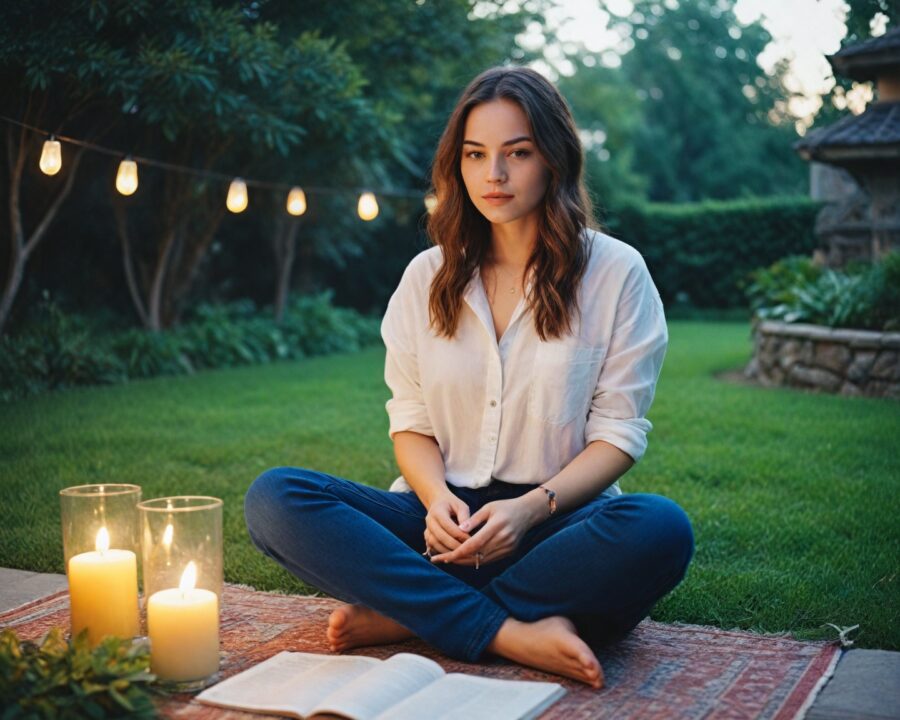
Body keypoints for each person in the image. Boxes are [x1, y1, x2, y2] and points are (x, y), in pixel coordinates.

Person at [244, 66, 694, 689]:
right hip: (439, 518)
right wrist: (434, 501)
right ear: (456, 165)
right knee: (275, 498)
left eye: (518, 153)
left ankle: (410, 614)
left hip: (557, 521)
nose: (495, 176)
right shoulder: (425, 278)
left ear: (555, 159)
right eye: (476, 155)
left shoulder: (617, 274)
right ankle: (510, 630)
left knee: (661, 530)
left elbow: (618, 435)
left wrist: (528, 512)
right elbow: (412, 424)